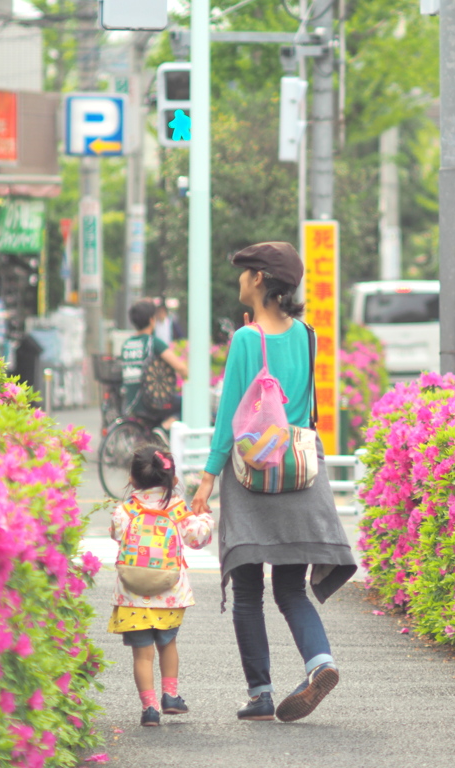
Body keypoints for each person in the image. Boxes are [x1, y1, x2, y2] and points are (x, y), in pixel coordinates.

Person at [190, 241, 357, 723]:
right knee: (290, 589)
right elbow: (302, 409)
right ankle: (320, 661)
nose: (239, 281)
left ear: (260, 279)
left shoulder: (246, 340)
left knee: (247, 590)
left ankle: (260, 694)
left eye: (244, 273)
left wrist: (205, 480)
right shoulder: (308, 334)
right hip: (299, 473)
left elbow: (229, 419)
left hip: (251, 475)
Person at [108, 445, 215, 727]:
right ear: (172, 480)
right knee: (168, 644)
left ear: (132, 479)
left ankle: (150, 708)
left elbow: (116, 533)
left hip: (132, 594)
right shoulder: (176, 508)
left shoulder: (126, 509)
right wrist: (205, 518)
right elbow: (198, 538)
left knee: (142, 655)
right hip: (169, 593)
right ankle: (171, 696)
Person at [120, 299, 189, 436]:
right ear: (152, 320)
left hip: (131, 401)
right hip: (151, 402)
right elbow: (180, 368)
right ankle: (163, 429)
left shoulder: (127, 344)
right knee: (188, 404)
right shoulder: (153, 343)